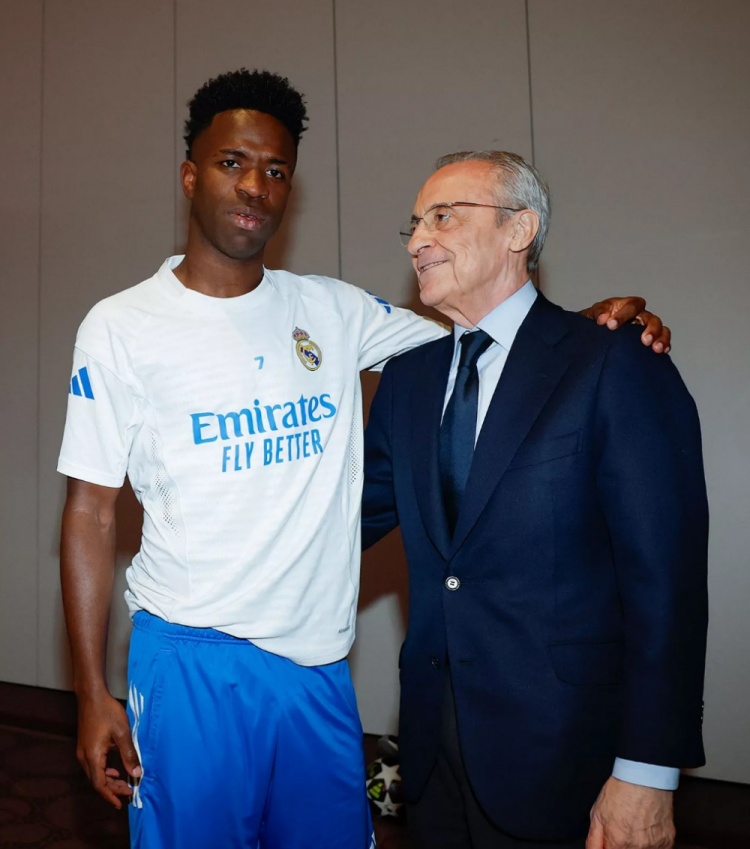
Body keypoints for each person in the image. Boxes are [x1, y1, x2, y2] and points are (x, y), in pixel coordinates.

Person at [58, 69, 670, 849]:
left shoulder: (334, 310)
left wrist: (591, 326)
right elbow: (90, 512)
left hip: (318, 667)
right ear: (189, 175)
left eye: (276, 170)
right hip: (191, 658)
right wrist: (90, 690)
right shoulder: (120, 327)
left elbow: (489, 343)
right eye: (231, 162)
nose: (255, 186)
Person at [362, 151, 708, 849]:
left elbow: (665, 582)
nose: (417, 240)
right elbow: (343, 520)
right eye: (414, 224)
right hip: (431, 756)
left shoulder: (615, 360)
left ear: (518, 230)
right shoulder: (406, 381)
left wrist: (648, 768)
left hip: (568, 758)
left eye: (442, 217)